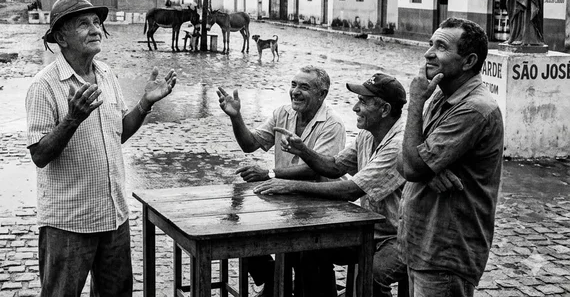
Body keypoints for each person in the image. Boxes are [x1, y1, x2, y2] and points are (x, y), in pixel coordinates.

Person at [25, 0, 177, 297]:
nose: (95, 29)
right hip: (68, 223)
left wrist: (145, 104)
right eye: (83, 24)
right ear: (60, 38)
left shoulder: (106, 74)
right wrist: (72, 120)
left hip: (113, 217)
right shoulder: (44, 86)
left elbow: (117, 133)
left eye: (96, 22)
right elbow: (40, 155)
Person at [254, 72, 408, 297]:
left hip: (399, 236)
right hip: (369, 228)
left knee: (371, 275)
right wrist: (304, 150)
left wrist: (290, 185)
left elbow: (350, 189)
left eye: (363, 103)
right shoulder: (368, 133)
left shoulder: (397, 144)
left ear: (384, 110)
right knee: (310, 247)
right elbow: (335, 166)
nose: (355, 108)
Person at [398, 18, 504, 297]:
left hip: (445, 252)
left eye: (441, 46)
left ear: (468, 61)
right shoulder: (441, 93)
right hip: (421, 245)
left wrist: (416, 103)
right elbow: (404, 162)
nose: (428, 53)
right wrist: (428, 170)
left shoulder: (474, 108)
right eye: (430, 44)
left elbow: (410, 165)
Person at [216, 66, 346, 295]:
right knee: (239, 229)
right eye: (294, 85)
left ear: (322, 94)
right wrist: (236, 117)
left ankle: (284, 283)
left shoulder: (332, 124)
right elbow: (250, 144)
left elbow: (314, 169)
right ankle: (274, 278)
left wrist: (269, 173)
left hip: (319, 208)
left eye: (304, 87)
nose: (295, 92)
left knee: (310, 261)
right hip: (285, 202)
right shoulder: (283, 113)